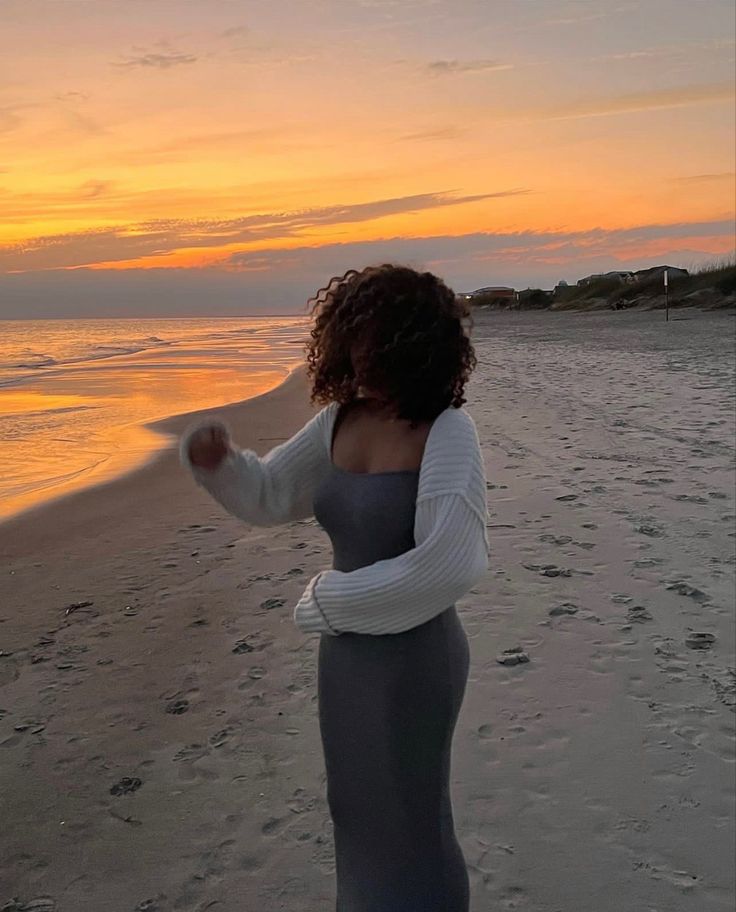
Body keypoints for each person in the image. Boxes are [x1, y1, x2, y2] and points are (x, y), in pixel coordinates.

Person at [180, 263, 490, 911]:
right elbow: (270, 495)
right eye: (356, 340)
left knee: (410, 816)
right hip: (347, 657)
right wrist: (220, 466)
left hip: (414, 658)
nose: (365, 357)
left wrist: (330, 601)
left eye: (382, 342)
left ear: (420, 346)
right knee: (355, 808)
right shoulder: (339, 422)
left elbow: (450, 564)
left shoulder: (446, 432)